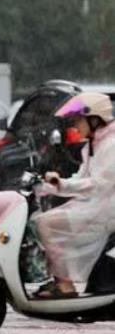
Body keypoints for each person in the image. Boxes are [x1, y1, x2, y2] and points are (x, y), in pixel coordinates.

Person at [35, 92, 115, 298]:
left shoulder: (111, 144)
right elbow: (81, 178)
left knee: (46, 224)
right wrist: (50, 185)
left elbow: (99, 185)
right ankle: (60, 280)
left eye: (78, 120)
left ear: (94, 119)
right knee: (42, 221)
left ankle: (65, 285)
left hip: (106, 209)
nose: (75, 126)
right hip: (95, 204)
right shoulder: (92, 146)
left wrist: (61, 185)